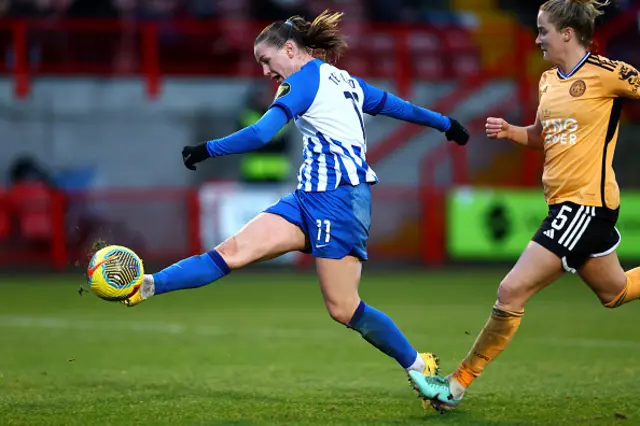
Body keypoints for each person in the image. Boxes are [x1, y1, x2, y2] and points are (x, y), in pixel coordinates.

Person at [123, 10, 469, 384]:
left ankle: (420, 366)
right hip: (309, 198)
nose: (265, 72)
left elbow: (259, 135)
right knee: (231, 253)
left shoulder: (303, 81)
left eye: (266, 61)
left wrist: (207, 149)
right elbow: (398, 106)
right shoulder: (344, 80)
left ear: (289, 49)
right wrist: (446, 124)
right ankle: (149, 285)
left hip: (338, 200)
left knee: (343, 307)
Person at [408, 0, 640, 412]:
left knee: (511, 290)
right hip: (565, 207)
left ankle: (455, 385)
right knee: (615, 291)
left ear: (568, 33)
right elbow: (543, 134)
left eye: (543, 30)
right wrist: (513, 132)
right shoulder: (549, 80)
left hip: (585, 205)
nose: (537, 39)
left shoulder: (609, 74)